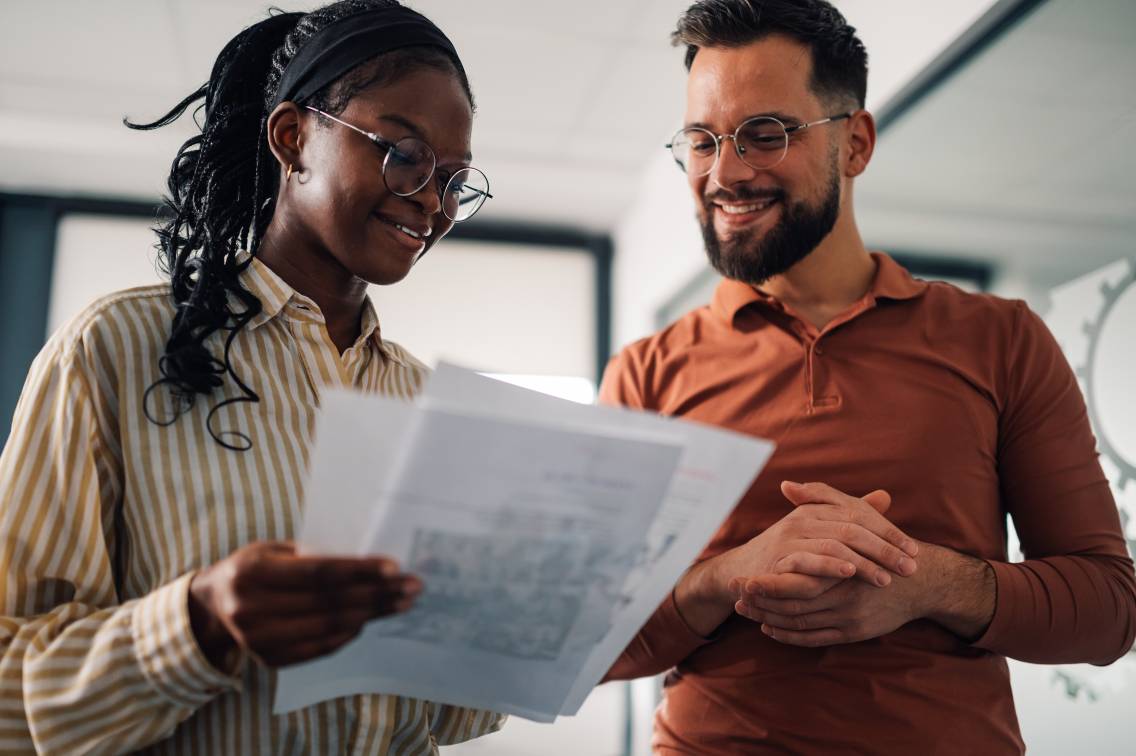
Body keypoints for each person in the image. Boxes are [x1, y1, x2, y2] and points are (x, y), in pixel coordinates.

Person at [600, 0, 1136, 752]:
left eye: (764, 135)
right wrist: (724, 579)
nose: (723, 173)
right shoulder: (647, 374)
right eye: (701, 141)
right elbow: (589, 644)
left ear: (854, 143)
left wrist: (932, 583)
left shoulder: (1001, 340)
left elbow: (1111, 612)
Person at [0, 1, 501, 753]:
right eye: (405, 155)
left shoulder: (427, 404)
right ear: (293, 138)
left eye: (456, 181)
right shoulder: (115, 348)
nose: (433, 200)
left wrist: (497, 633)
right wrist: (198, 621)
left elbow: (448, 717)